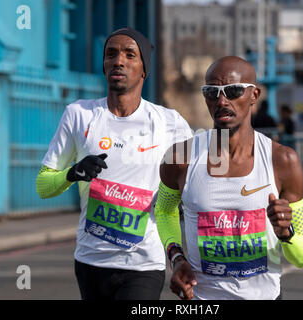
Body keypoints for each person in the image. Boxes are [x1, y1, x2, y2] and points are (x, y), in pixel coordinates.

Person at [35, 27, 192, 300]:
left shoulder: (169, 123)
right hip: (90, 261)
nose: (118, 61)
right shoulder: (79, 115)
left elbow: (194, 186)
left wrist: (178, 254)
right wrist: (72, 173)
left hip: (144, 264)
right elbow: (43, 185)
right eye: (111, 54)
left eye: (130, 55)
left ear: (144, 69)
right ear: (105, 64)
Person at [154, 56, 303, 300]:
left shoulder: (283, 160)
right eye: (211, 92)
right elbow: (165, 212)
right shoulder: (179, 158)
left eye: (233, 90)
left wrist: (287, 233)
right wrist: (176, 258)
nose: (221, 100)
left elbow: (302, 258)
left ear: (254, 95)